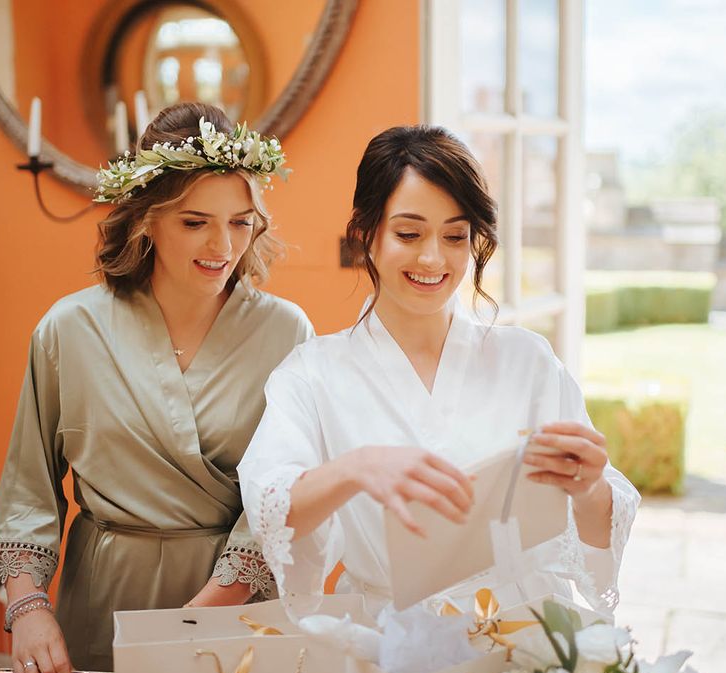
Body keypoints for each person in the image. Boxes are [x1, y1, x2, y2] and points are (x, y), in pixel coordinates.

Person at [237, 125, 640, 624]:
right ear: (366, 234)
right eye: (409, 234)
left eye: (455, 236)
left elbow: (597, 533)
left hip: (526, 635)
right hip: (391, 641)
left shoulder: (529, 361)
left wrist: (588, 486)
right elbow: (272, 509)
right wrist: (355, 467)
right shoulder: (312, 374)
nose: (433, 258)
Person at [0, 102, 313, 673]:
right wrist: (28, 608)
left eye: (241, 221)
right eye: (195, 222)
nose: (223, 245)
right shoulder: (68, 331)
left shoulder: (287, 334)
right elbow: (28, 490)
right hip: (104, 597)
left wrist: (210, 608)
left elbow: (288, 491)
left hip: (234, 607)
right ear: (146, 220)